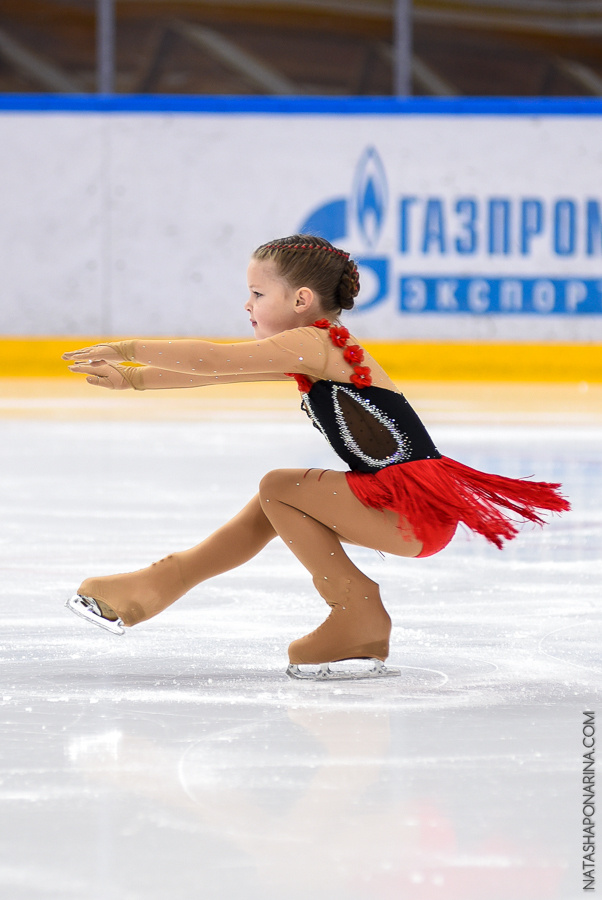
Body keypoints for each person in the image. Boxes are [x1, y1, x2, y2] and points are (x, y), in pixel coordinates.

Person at [62, 234, 570, 680]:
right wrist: (131, 378)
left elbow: (213, 358)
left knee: (282, 487)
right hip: (409, 507)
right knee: (273, 504)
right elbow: (217, 373)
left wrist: (129, 347)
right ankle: (152, 587)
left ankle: (356, 610)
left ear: (301, 299)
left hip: (406, 508)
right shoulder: (316, 350)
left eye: (258, 294)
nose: (248, 305)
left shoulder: (313, 342)